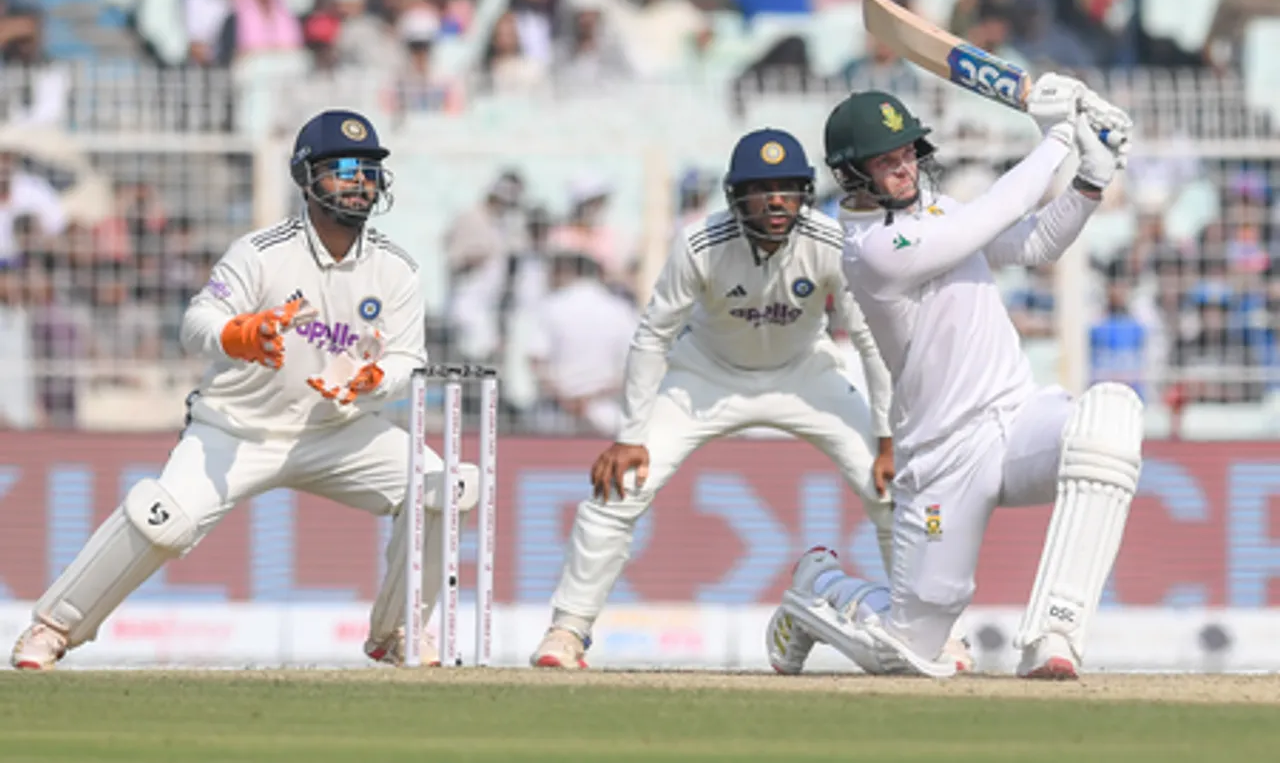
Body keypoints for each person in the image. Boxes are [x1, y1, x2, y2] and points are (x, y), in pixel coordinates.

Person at [10, 110, 471, 670]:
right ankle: (53, 626)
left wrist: (377, 381)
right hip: (237, 429)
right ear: (306, 177)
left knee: (450, 486)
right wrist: (238, 334)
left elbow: (407, 358)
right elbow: (196, 323)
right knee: (164, 516)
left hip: (336, 432)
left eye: (369, 169)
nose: (359, 181)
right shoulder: (261, 251)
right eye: (344, 168)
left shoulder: (397, 270)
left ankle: (398, 631)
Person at [767, 81, 1141, 680]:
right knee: (910, 649)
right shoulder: (874, 248)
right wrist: (1058, 138)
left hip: (1018, 420)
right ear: (852, 174)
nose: (904, 169)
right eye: (886, 162)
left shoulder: (935, 211)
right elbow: (998, 211)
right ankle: (821, 588)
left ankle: (1054, 633)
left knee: (1112, 418)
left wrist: (1089, 181)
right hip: (943, 456)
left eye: (908, 153)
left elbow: (1037, 241)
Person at [529, 127, 899, 669]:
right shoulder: (701, 243)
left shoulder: (830, 240)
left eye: (789, 188)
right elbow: (653, 335)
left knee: (891, 486)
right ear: (735, 195)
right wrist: (630, 437)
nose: (777, 200)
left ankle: (925, 630)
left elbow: (868, 337)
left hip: (805, 374)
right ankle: (567, 631)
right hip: (706, 377)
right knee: (621, 487)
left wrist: (888, 437)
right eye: (762, 188)